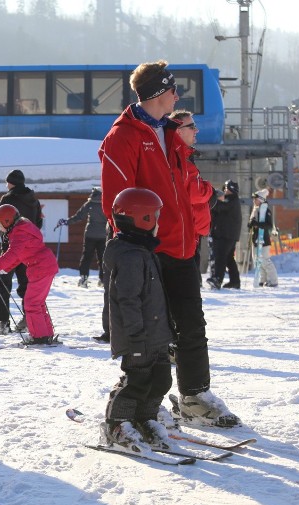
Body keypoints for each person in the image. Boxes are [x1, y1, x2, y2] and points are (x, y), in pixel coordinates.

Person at [99, 60, 240, 427]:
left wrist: (192, 235)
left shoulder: (170, 133)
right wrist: (134, 247)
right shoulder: (123, 136)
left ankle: (195, 395)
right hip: (149, 251)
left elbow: (184, 189)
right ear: (159, 93)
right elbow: (116, 200)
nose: (178, 96)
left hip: (182, 247)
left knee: (192, 325)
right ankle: (146, 403)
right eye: (173, 89)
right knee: (153, 334)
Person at [98, 188, 174, 450]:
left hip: (156, 334)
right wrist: (135, 337)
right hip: (137, 335)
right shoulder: (130, 256)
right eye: (155, 216)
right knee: (138, 380)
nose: (158, 221)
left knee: (162, 379)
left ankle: (144, 419)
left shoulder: (143, 251)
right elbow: (128, 301)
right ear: (143, 219)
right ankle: (116, 424)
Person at [0, 204, 58, 344]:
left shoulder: (20, 232)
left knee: (32, 303)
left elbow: (13, 253)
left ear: (7, 221)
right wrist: (3, 268)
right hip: (42, 266)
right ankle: (45, 335)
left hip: (40, 267)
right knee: (37, 303)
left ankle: (39, 337)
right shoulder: (21, 229)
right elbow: (19, 256)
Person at [0, 169, 42, 333]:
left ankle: (2, 322)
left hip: (11, 247)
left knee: (3, 284)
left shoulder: (7, 199)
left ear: (11, 182)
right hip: (29, 249)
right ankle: (28, 319)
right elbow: (38, 223)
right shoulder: (33, 199)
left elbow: (0, 220)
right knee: (27, 285)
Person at [169, 110, 215, 269]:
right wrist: (210, 190)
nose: (196, 130)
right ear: (179, 131)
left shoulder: (182, 156)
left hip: (188, 232)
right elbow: (196, 194)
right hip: (185, 234)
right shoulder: (181, 161)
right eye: (192, 126)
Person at [57, 186, 107, 288]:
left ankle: (84, 279)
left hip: (90, 235)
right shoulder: (106, 204)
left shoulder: (89, 204)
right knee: (103, 258)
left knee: (86, 257)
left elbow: (78, 217)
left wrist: (66, 221)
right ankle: (103, 280)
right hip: (103, 235)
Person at [207, 180, 242, 289]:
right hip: (228, 235)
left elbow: (219, 207)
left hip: (225, 235)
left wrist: (211, 200)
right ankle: (235, 281)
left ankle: (217, 279)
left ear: (232, 190)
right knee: (228, 259)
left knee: (220, 257)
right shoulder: (231, 201)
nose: (225, 190)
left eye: (227, 188)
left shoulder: (231, 201)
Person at [248, 189, 278, 287]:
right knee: (257, 261)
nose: (254, 201)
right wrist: (251, 224)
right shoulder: (255, 210)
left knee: (265, 260)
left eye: (255, 199)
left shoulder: (266, 211)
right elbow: (252, 223)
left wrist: (257, 224)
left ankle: (273, 280)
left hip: (264, 240)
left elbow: (269, 225)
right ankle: (263, 279)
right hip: (255, 239)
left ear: (260, 199)